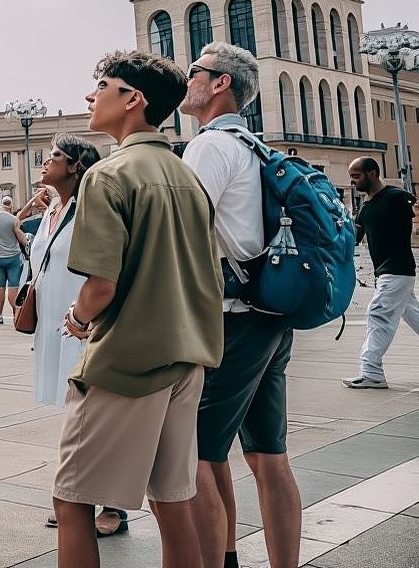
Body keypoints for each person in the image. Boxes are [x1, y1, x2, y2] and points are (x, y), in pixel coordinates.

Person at [53, 50, 223, 568]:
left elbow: (101, 285)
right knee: (173, 502)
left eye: (102, 84)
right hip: (186, 358)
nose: (90, 94)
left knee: (72, 499)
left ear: (134, 98)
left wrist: (79, 320)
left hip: (127, 363)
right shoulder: (184, 173)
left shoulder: (108, 175)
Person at [178, 42, 302, 568]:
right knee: (268, 456)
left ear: (220, 83)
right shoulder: (254, 146)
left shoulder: (209, 146)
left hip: (232, 319)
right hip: (271, 314)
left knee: (196, 457)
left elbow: (181, 230)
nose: (187, 81)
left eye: (194, 73)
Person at [25, 136, 105, 528]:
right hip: (54, 320)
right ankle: (78, 499)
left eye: (55, 156)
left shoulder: (88, 207)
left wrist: (88, 317)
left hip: (81, 323)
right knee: (75, 413)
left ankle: (107, 506)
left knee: (88, 414)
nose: (46, 160)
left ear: (76, 166)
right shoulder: (54, 206)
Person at [342, 156, 418, 390]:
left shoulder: (398, 197)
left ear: (372, 173)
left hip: (396, 268)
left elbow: (413, 213)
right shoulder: (365, 208)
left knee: (378, 314)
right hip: (388, 271)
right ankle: (371, 372)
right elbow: (353, 238)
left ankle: (371, 371)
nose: (353, 181)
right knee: (413, 313)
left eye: (356, 176)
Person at [0, 196, 28, 324]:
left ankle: (0, 316)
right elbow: (22, 240)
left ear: (0, 204)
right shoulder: (13, 220)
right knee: (13, 288)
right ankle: (16, 313)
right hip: (13, 258)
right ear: (11, 205)